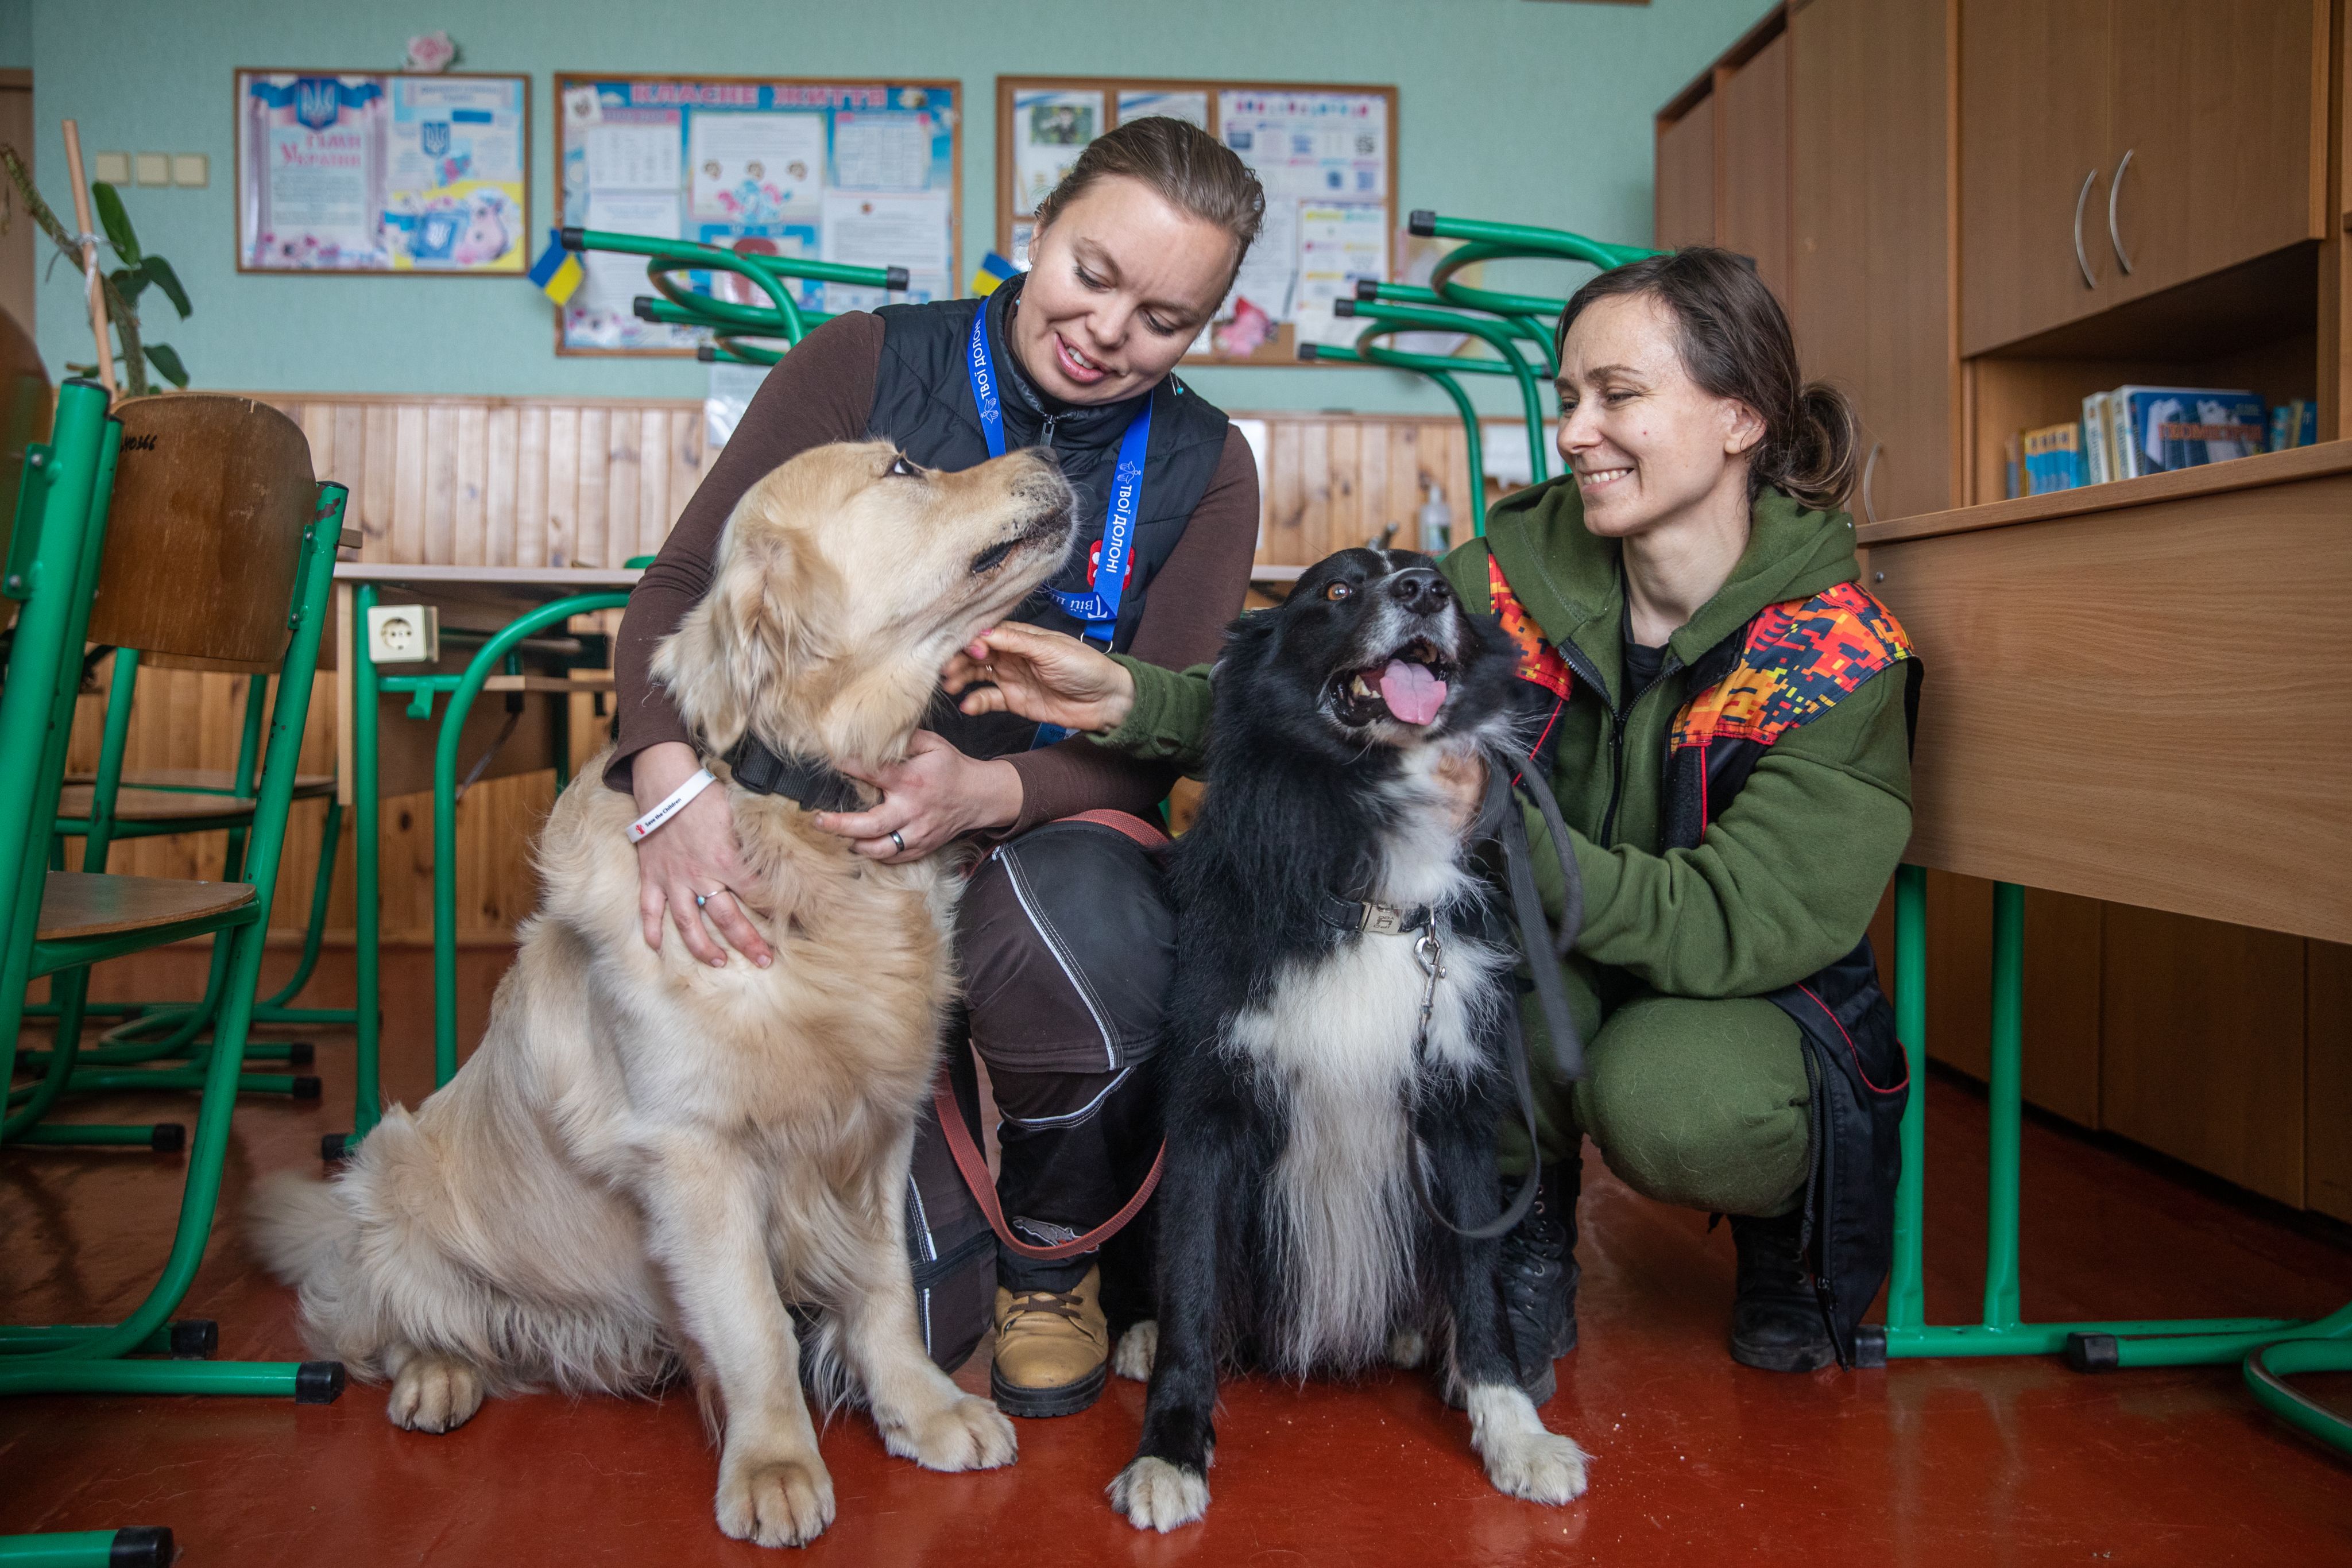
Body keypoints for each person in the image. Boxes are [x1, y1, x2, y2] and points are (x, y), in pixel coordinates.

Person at [950, 247, 1920, 1377]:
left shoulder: (1838, 649)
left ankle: (1783, 1235)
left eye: (1617, 397)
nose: (1571, 433)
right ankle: (1524, 1227)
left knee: (1682, 1100)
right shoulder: (1507, 571)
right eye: (1568, 399)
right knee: (1449, 1003)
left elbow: (1747, 919)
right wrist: (1123, 696)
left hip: (1737, 987)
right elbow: (1318, 709)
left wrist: (1497, 828)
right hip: (1550, 947)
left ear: (1739, 419)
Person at [610, 117, 1266, 1416]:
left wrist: (987, 794)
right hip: (819, 843)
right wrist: (667, 786)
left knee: (1071, 908)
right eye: (1092, 271)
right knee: (840, 1346)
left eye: (1164, 317)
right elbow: (686, 592)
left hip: (1033, 846)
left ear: (1202, 330)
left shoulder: (1207, 465)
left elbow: (1170, 733)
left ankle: (1055, 1255)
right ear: (1037, 229)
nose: (1108, 330)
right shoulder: (861, 362)